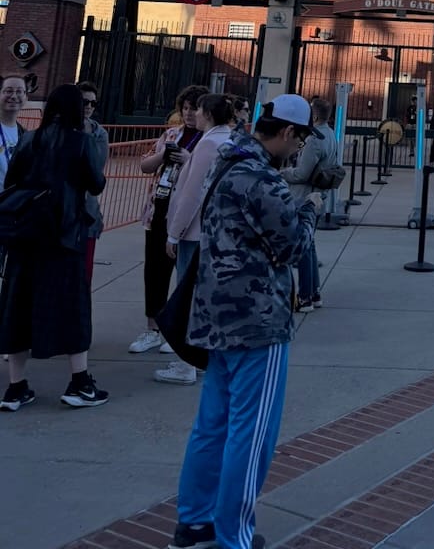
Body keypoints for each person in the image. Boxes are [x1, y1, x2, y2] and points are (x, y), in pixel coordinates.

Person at [168, 93, 318, 549]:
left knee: (212, 424)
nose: (299, 150)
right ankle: (233, 536)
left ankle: (193, 522)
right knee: (251, 435)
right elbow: (293, 247)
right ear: (288, 132)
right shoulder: (262, 179)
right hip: (258, 320)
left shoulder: (227, 160)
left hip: (216, 315)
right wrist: (308, 212)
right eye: (301, 139)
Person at [0, 84, 108, 410]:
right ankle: (79, 382)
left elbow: (12, 183)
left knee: (17, 307)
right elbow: (96, 183)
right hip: (64, 236)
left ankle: (15, 387)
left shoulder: (29, 139)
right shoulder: (82, 141)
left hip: (25, 236)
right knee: (72, 308)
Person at [157, 94, 236, 384]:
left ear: (208, 114)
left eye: (199, 110)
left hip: (193, 231)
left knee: (186, 294)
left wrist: (173, 233)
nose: (194, 116)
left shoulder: (207, 145)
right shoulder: (228, 140)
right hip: (212, 229)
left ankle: (186, 363)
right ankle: (201, 356)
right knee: (201, 294)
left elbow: (191, 194)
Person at [128, 85, 204, 355]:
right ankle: (152, 327)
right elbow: (145, 165)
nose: (188, 114)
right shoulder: (171, 134)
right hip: (159, 209)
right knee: (155, 271)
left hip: (187, 217)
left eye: (194, 109)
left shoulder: (208, 140)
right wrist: (164, 154)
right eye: (184, 109)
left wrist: (188, 159)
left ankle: (180, 330)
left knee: (185, 274)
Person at [281, 96, 336, 311]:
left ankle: (305, 296)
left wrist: (283, 173)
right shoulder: (330, 135)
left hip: (304, 196)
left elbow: (303, 173)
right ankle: (314, 293)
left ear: (314, 115)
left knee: (303, 247)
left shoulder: (314, 140)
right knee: (309, 245)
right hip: (318, 196)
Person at [76, 81, 108, 287]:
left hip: (86, 212)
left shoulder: (99, 134)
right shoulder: (56, 130)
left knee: (83, 275)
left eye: (93, 103)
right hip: (59, 214)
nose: (88, 106)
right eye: (84, 101)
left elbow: (95, 173)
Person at [0, 76, 28, 188]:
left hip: (11, 202)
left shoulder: (25, 135)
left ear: (26, 97)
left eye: (19, 92)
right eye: (9, 91)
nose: (14, 96)